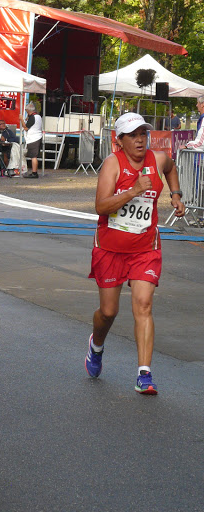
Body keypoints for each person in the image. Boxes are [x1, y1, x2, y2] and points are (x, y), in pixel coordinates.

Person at [86, 112, 185, 395]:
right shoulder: (112, 165)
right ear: (120, 141)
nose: (141, 140)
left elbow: (172, 167)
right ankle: (96, 346)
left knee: (143, 305)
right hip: (110, 249)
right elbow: (101, 207)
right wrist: (132, 191)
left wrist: (175, 194)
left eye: (144, 133)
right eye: (133, 135)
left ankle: (144, 374)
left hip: (145, 248)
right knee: (108, 312)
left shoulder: (158, 159)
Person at [19, 101, 43, 179]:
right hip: (37, 137)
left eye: (26, 112)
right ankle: (34, 171)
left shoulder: (32, 117)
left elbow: (26, 128)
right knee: (34, 156)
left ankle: (34, 173)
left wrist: (21, 120)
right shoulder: (38, 116)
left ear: (29, 111)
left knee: (33, 156)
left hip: (33, 138)